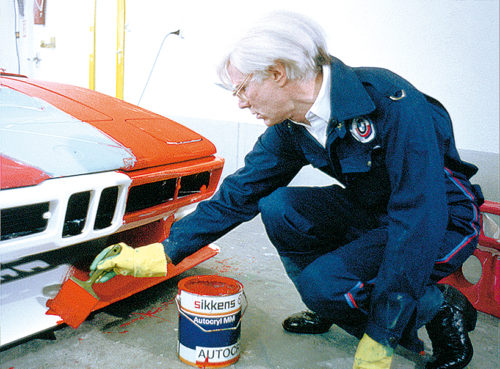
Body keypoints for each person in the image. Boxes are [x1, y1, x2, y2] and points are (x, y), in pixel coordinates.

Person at [91, 11, 484, 369]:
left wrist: (383, 331)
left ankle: (439, 307)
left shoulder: (390, 103)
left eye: (243, 89)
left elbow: (417, 216)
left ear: (278, 72)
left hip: (441, 218)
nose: (241, 104)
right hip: (378, 210)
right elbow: (239, 195)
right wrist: (161, 253)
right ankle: (331, 303)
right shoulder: (291, 127)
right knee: (279, 206)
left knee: (325, 285)